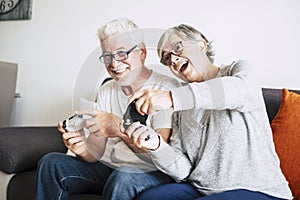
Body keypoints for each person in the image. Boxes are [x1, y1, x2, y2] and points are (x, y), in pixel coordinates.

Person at [125, 24, 293, 200]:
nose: (173, 60)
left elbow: (242, 90)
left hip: (258, 190)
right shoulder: (181, 111)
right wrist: (157, 145)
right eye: (166, 58)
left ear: (201, 45)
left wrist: (172, 97)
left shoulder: (237, 71)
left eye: (177, 48)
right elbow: (183, 170)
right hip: (201, 189)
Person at [35, 18, 181, 200]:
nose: (113, 64)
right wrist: (82, 149)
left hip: (151, 171)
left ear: (142, 52)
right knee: (51, 163)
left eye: (121, 54)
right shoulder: (107, 90)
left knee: (124, 176)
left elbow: (159, 155)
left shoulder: (166, 90)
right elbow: (97, 152)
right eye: (107, 56)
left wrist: (120, 129)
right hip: (111, 168)